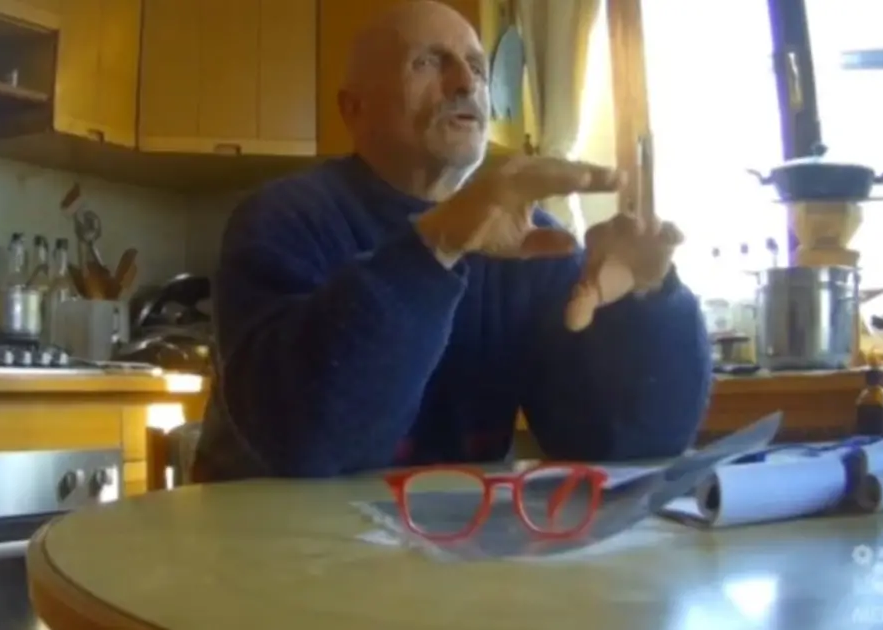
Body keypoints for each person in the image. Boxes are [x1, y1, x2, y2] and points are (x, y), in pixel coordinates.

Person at [191, 0, 712, 482]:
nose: (465, 83)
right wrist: (437, 243)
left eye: (477, 68)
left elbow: (622, 444)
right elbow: (308, 443)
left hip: (451, 541)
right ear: (353, 108)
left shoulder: (533, 241)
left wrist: (645, 304)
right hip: (265, 540)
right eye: (427, 62)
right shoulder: (283, 218)